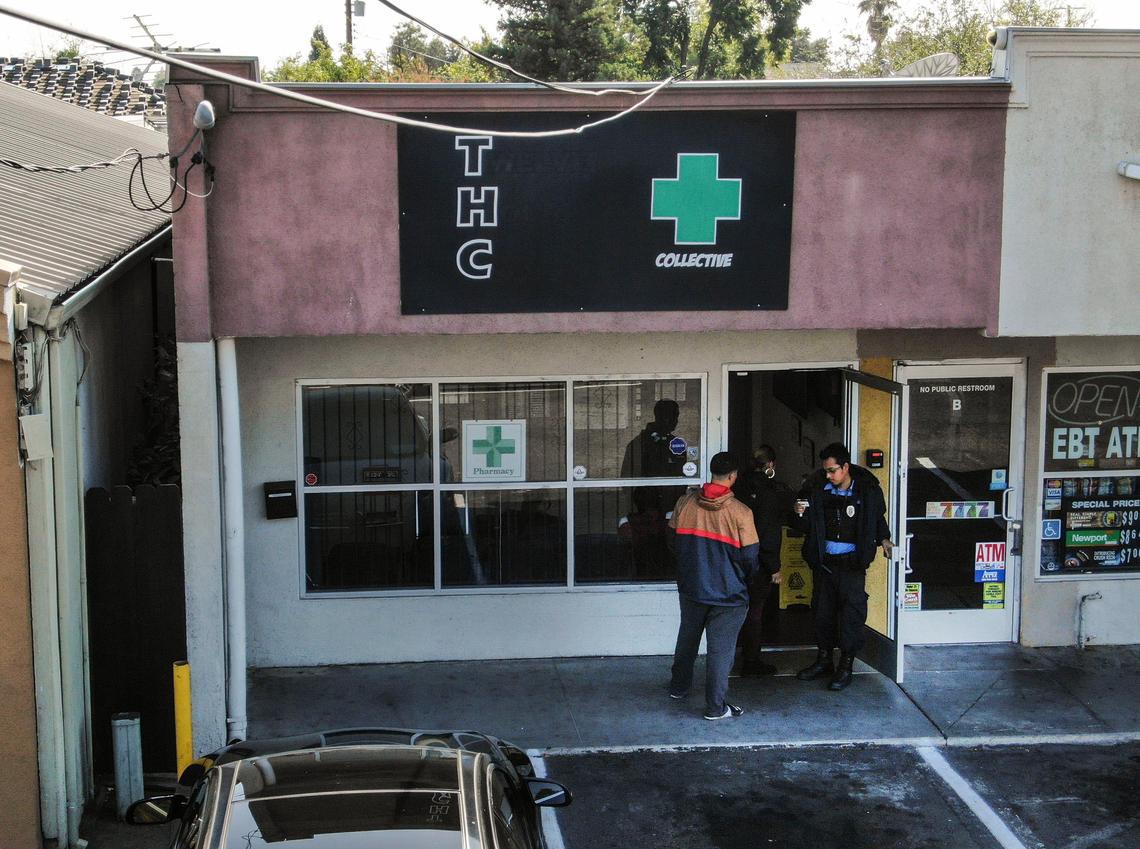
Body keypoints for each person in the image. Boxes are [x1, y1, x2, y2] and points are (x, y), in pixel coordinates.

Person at [667, 452, 761, 720]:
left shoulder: (685, 503)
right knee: (720, 652)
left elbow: (672, 542)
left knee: (687, 639)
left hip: (692, 586)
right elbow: (750, 558)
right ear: (733, 476)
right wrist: (743, 580)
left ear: (712, 472)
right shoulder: (741, 512)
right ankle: (715, 708)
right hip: (729, 594)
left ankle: (678, 687)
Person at [793, 442, 894, 691]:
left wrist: (884, 540)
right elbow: (802, 525)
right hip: (825, 564)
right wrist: (798, 512)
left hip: (852, 565)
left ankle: (846, 666)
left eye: (833, 470)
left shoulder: (866, 490)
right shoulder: (817, 488)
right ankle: (824, 660)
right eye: (826, 470)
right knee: (822, 614)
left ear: (846, 467)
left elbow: (876, 518)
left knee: (851, 615)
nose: (828, 475)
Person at [733, 445, 790, 676]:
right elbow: (767, 533)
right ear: (771, 465)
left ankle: (735, 656)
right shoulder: (769, 491)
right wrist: (774, 566)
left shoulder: (737, 486)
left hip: (735, 556)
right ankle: (751, 661)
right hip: (757, 560)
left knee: (738, 609)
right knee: (755, 612)